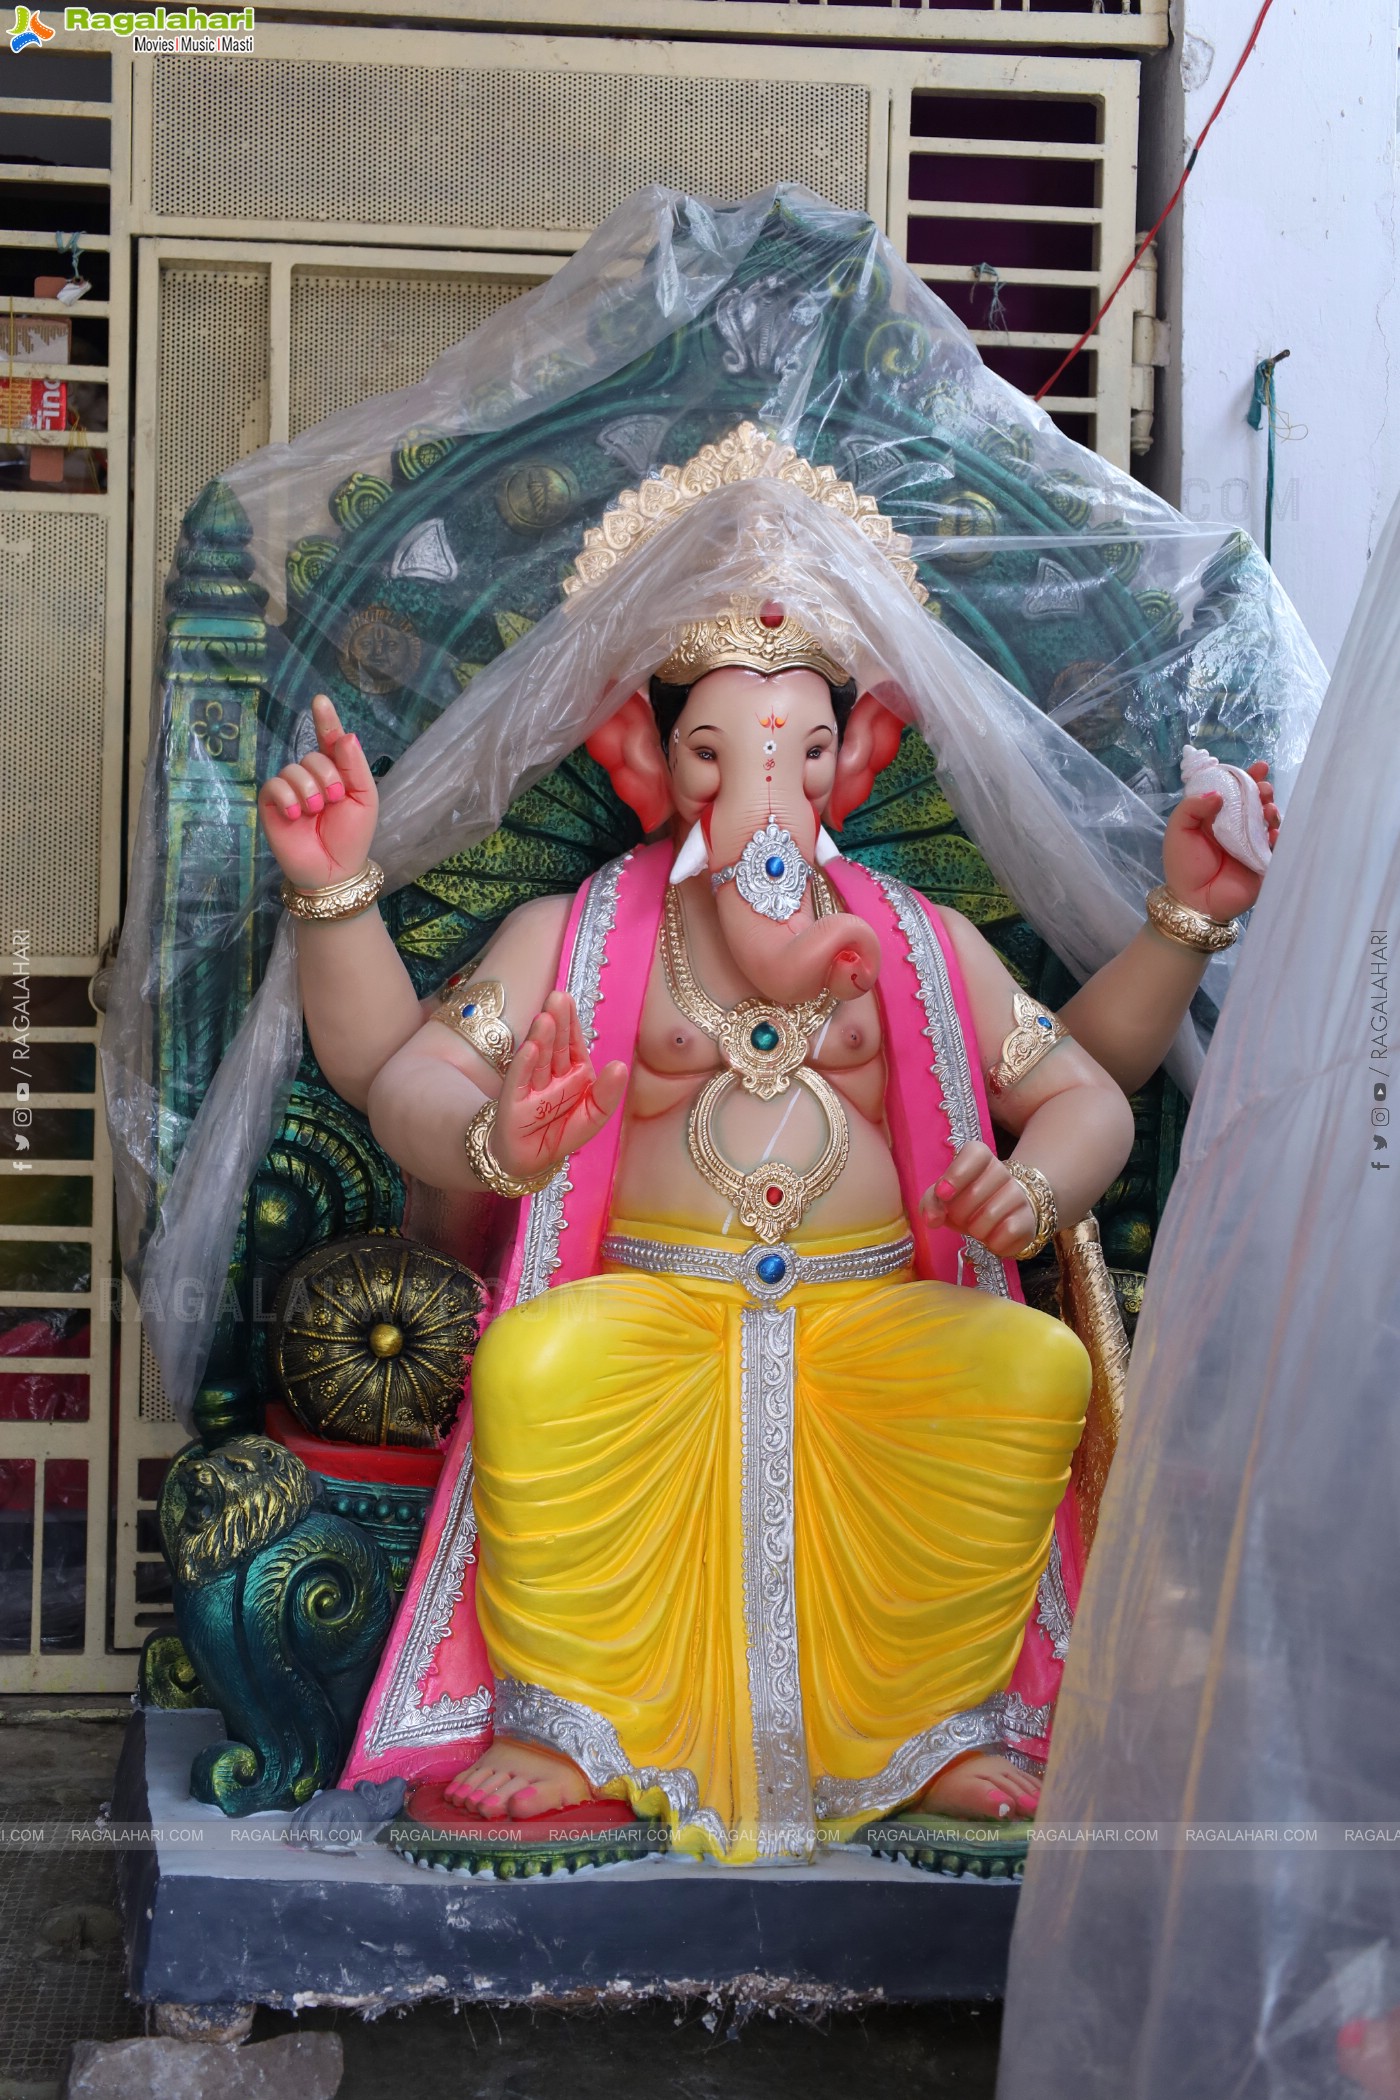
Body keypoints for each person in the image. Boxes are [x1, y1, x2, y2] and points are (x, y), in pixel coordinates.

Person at [257, 599, 1277, 1864]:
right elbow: (405, 1075)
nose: (762, 792)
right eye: (714, 750)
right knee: (537, 1370)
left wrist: (1035, 1185)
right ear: (649, 759)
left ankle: (942, 1725)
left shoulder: (916, 941)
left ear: (852, 760)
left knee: (1025, 1368)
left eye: (799, 753)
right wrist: (494, 1140)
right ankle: (565, 1721)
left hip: (871, 1311)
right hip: (651, 1307)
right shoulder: (571, 936)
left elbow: (1078, 1081)